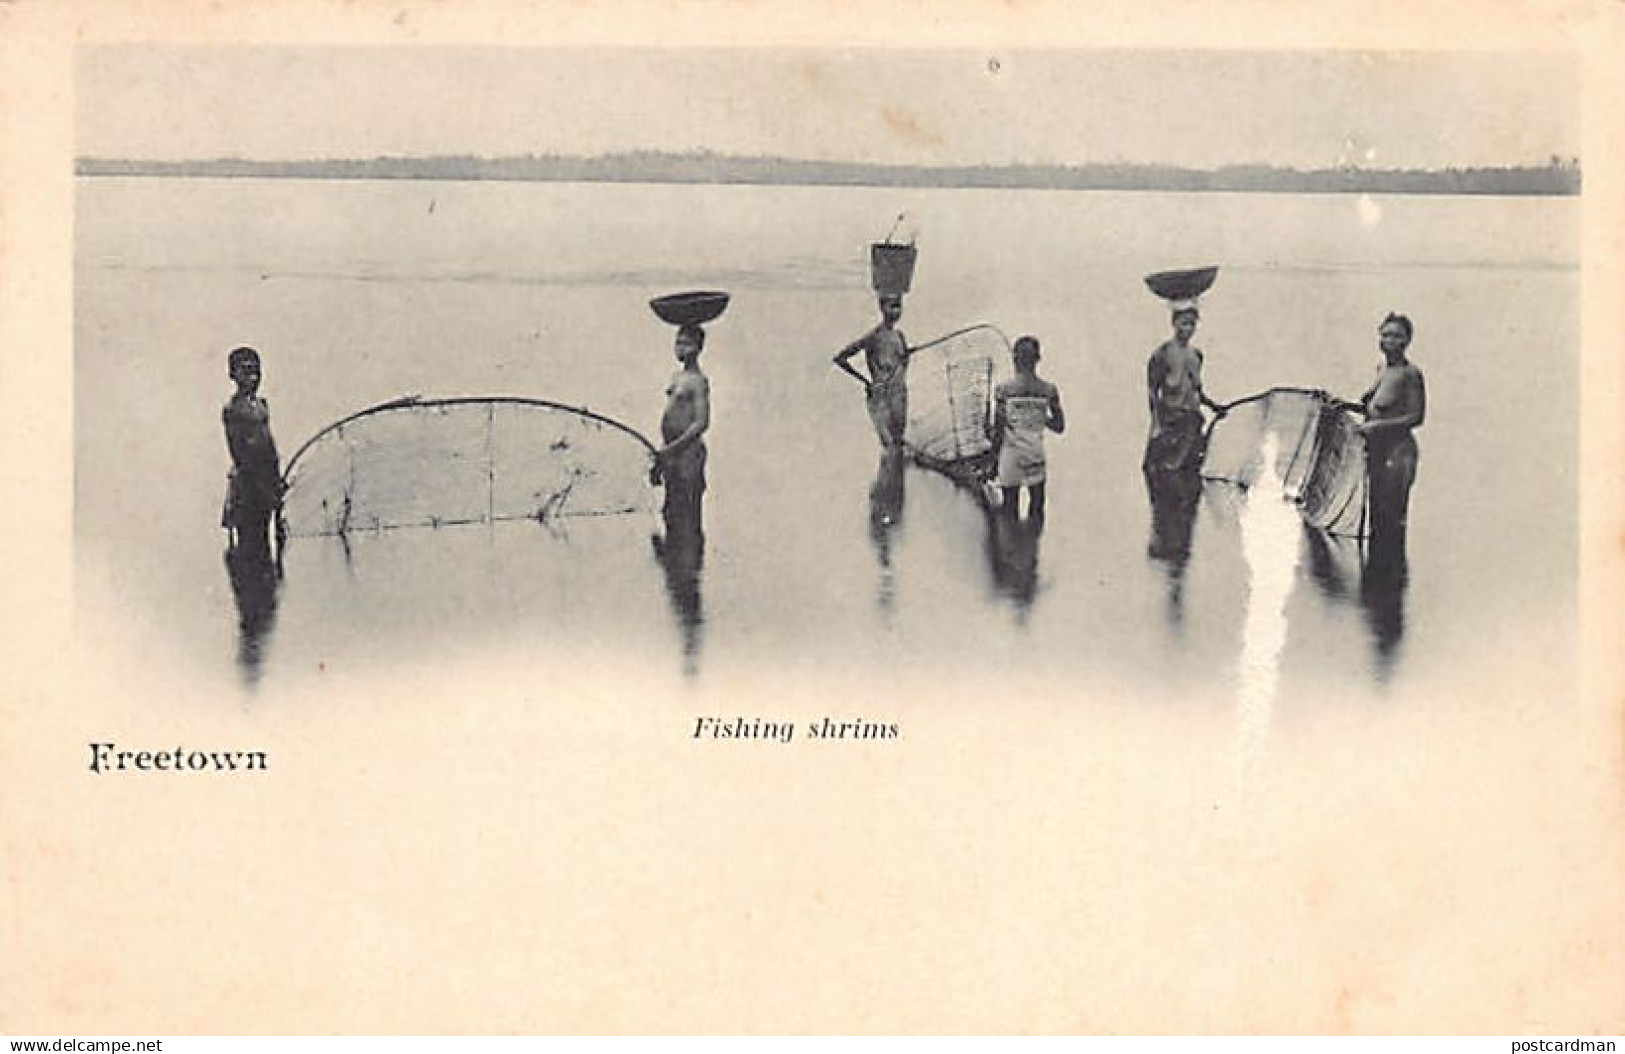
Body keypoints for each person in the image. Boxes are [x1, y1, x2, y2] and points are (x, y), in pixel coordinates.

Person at [1354, 312, 1426, 550]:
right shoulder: (1381, 370)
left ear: (1407, 341)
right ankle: (1376, 583)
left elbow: (1416, 417)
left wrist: (1376, 427)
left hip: (1398, 455)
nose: (1389, 340)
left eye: (1396, 336)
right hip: (1377, 452)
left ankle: (1392, 581)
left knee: (1391, 520)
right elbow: (1374, 409)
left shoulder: (1410, 374)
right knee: (1376, 517)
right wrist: (1342, 406)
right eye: (1385, 335)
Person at [1142, 301, 1225, 493]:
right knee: (1161, 471)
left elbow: (1195, 389)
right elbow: (1153, 391)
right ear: (1174, 323)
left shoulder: (1196, 355)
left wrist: (1213, 407)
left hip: (1191, 422)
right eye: (1184, 323)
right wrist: (1156, 423)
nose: (1188, 328)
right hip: (1170, 421)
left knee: (1189, 474)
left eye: (1192, 324)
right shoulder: (1162, 354)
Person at [989, 335, 1065, 518]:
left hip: (1011, 458)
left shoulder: (1003, 391)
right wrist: (1039, 417)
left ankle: (1015, 544)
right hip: (1035, 456)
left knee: (1009, 510)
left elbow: (998, 431)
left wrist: (992, 461)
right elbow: (1059, 426)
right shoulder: (1049, 390)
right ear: (1038, 359)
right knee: (1037, 509)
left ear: (1015, 359)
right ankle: (1033, 543)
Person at [221, 346, 283, 561]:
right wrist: (265, 485)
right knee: (250, 545)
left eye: (257, 372)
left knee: (265, 545)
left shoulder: (261, 405)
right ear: (233, 375)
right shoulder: (233, 409)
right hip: (249, 487)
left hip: (265, 483)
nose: (253, 378)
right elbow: (242, 454)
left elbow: (269, 446)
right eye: (246, 372)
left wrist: (276, 479)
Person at [653, 323, 711, 534]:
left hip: (688, 457)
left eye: (686, 343)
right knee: (670, 512)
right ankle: (672, 563)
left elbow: (701, 423)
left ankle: (689, 564)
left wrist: (670, 450)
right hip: (672, 455)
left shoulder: (699, 381)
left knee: (687, 515)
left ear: (698, 347)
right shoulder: (676, 377)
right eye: (677, 343)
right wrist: (662, 458)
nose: (680, 348)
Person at [834, 293, 911, 450]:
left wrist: (904, 358)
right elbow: (841, 358)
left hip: (899, 394)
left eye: (899, 307)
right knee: (889, 446)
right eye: (892, 307)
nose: (896, 312)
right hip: (880, 396)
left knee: (899, 443)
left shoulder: (899, 336)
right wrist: (866, 381)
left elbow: (903, 364)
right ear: (882, 308)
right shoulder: (873, 337)